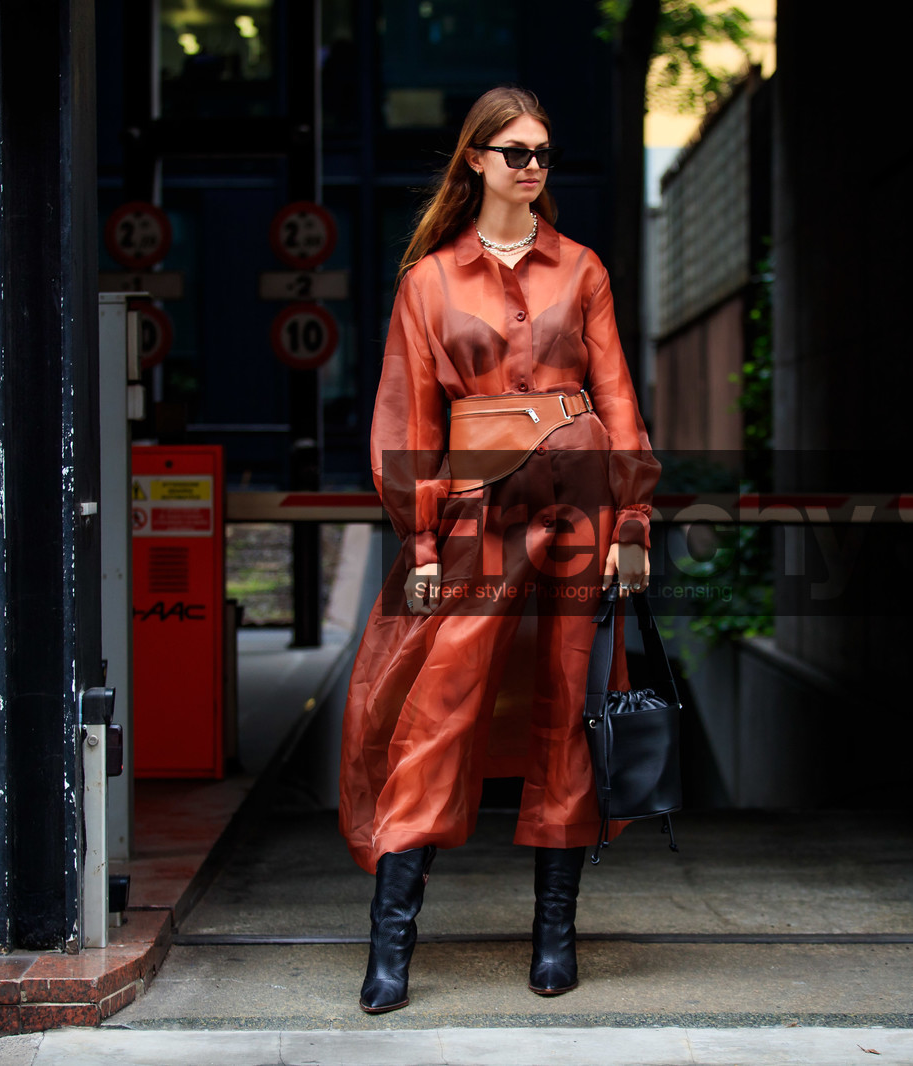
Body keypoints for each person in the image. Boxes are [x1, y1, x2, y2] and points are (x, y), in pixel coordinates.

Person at [338, 85, 661, 1014]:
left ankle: (554, 939)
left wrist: (632, 526)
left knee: (570, 704)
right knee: (438, 708)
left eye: (543, 154)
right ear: (474, 160)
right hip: (476, 515)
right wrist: (423, 538)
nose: (531, 167)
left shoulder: (584, 269)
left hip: (581, 509)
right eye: (514, 151)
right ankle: (390, 943)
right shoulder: (429, 282)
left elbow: (620, 398)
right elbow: (406, 418)